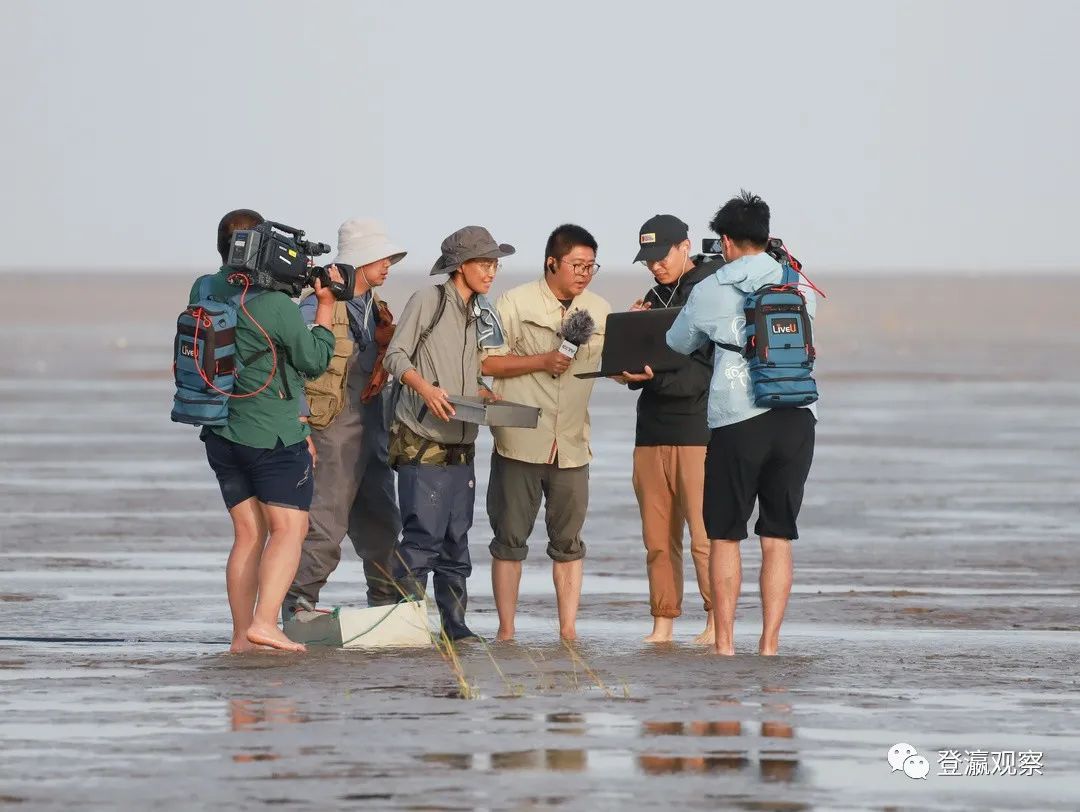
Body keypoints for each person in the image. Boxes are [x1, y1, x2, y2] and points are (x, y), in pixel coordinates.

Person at [667, 191, 817, 656]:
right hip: (797, 417)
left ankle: (726, 644)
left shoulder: (711, 287)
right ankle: (770, 644)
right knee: (778, 535)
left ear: (727, 242)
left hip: (738, 418)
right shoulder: (797, 282)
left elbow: (678, 341)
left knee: (725, 534)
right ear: (767, 237)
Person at [196, 208, 339, 653]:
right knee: (289, 529)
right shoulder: (276, 305)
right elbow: (314, 360)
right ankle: (264, 623)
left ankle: (241, 636)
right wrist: (326, 307)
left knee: (248, 534)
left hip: (220, 431)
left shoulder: (204, 288)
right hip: (271, 435)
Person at [383, 225, 514, 642]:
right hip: (422, 442)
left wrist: (482, 393)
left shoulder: (477, 312)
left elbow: (467, 373)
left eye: (494, 264)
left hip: (462, 446)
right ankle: (407, 629)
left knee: (457, 542)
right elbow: (395, 356)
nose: (491, 272)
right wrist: (425, 389)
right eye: (483, 263)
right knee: (421, 540)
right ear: (459, 266)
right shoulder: (429, 299)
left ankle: (454, 628)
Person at [481, 224, 611, 641]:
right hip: (519, 440)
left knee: (569, 544)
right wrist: (541, 360)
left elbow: (613, 365)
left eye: (591, 266)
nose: (584, 273)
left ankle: (568, 632)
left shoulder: (600, 309)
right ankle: (506, 632)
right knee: (509, 541)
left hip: (572, 445)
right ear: (551, 262)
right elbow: (487, 362)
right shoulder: (513, 302)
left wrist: (634, 362)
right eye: (577, 265)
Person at [284, 219, 406, 620]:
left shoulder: (377, 308)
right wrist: (300, 423)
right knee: (325, 521)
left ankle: (388, 606)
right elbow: (291, 364)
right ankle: (297, 606)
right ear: (361, 259)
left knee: (383, 521)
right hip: (330, 429)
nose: (388, 264)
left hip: (373, 427)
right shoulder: (316, 304)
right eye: (381, 257)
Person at [613, 214, 724, 644]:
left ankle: (717, 622)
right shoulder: (653, 297)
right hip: (650, 432)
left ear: (685, 247)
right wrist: (628, 343)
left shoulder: (711, 291)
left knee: (704, 538)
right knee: (657, 538)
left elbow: (702, 371)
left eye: (662, 256)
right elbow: (637, 368)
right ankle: (663, 622)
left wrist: (650, 375)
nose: (655, 265)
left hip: (698, 430)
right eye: (648, 259)